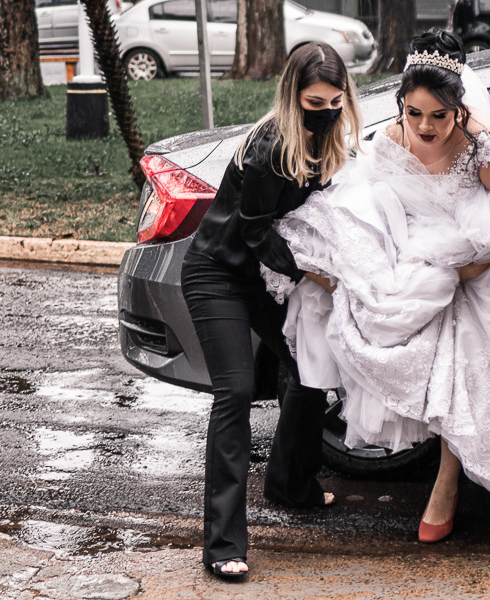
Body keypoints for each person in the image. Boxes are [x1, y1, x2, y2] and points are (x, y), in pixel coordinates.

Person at [263, 29, 490, 542]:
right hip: (420, 260)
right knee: (372, 316)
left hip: (487, 265)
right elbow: (381, 207)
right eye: (414, 113)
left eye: (439, 116)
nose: (425, 127)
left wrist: (475, 266)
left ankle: (445, 486)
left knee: (474, 346)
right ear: (401, 104)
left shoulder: (486, 149)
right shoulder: (387, 140)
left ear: (460, 109)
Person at [180, 42, 361, 579]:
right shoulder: (269, 146)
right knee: (234, 392)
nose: (325, 111)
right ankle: (223, 545)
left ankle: (291, 486)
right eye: (314, 101)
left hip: (263, 277)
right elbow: (258, 231)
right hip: (218, 273)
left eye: (334, 101)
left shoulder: (326, 138)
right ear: (291, 95)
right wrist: (314, 273)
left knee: (311, 369)